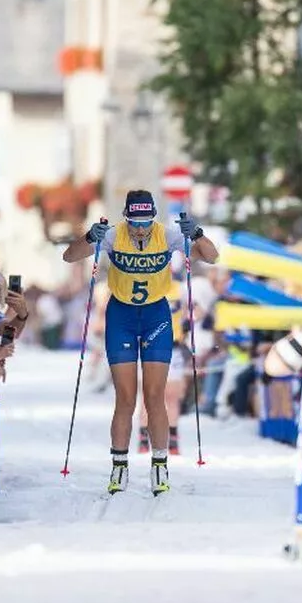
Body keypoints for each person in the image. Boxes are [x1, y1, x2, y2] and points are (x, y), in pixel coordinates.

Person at [63, 190, 218, 496]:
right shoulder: (112, 235)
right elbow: (70, 256)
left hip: (156, 317)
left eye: (146, 222)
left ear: (153, 218)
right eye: (134, 222)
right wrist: (89, 237)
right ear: (126, 217)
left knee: (155, 395)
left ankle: (159, 465)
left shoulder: (168, 234)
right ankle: (119, 467)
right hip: (121, 316)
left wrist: (197, 233)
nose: (140, 229)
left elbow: (211, 256)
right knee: (125, 397)